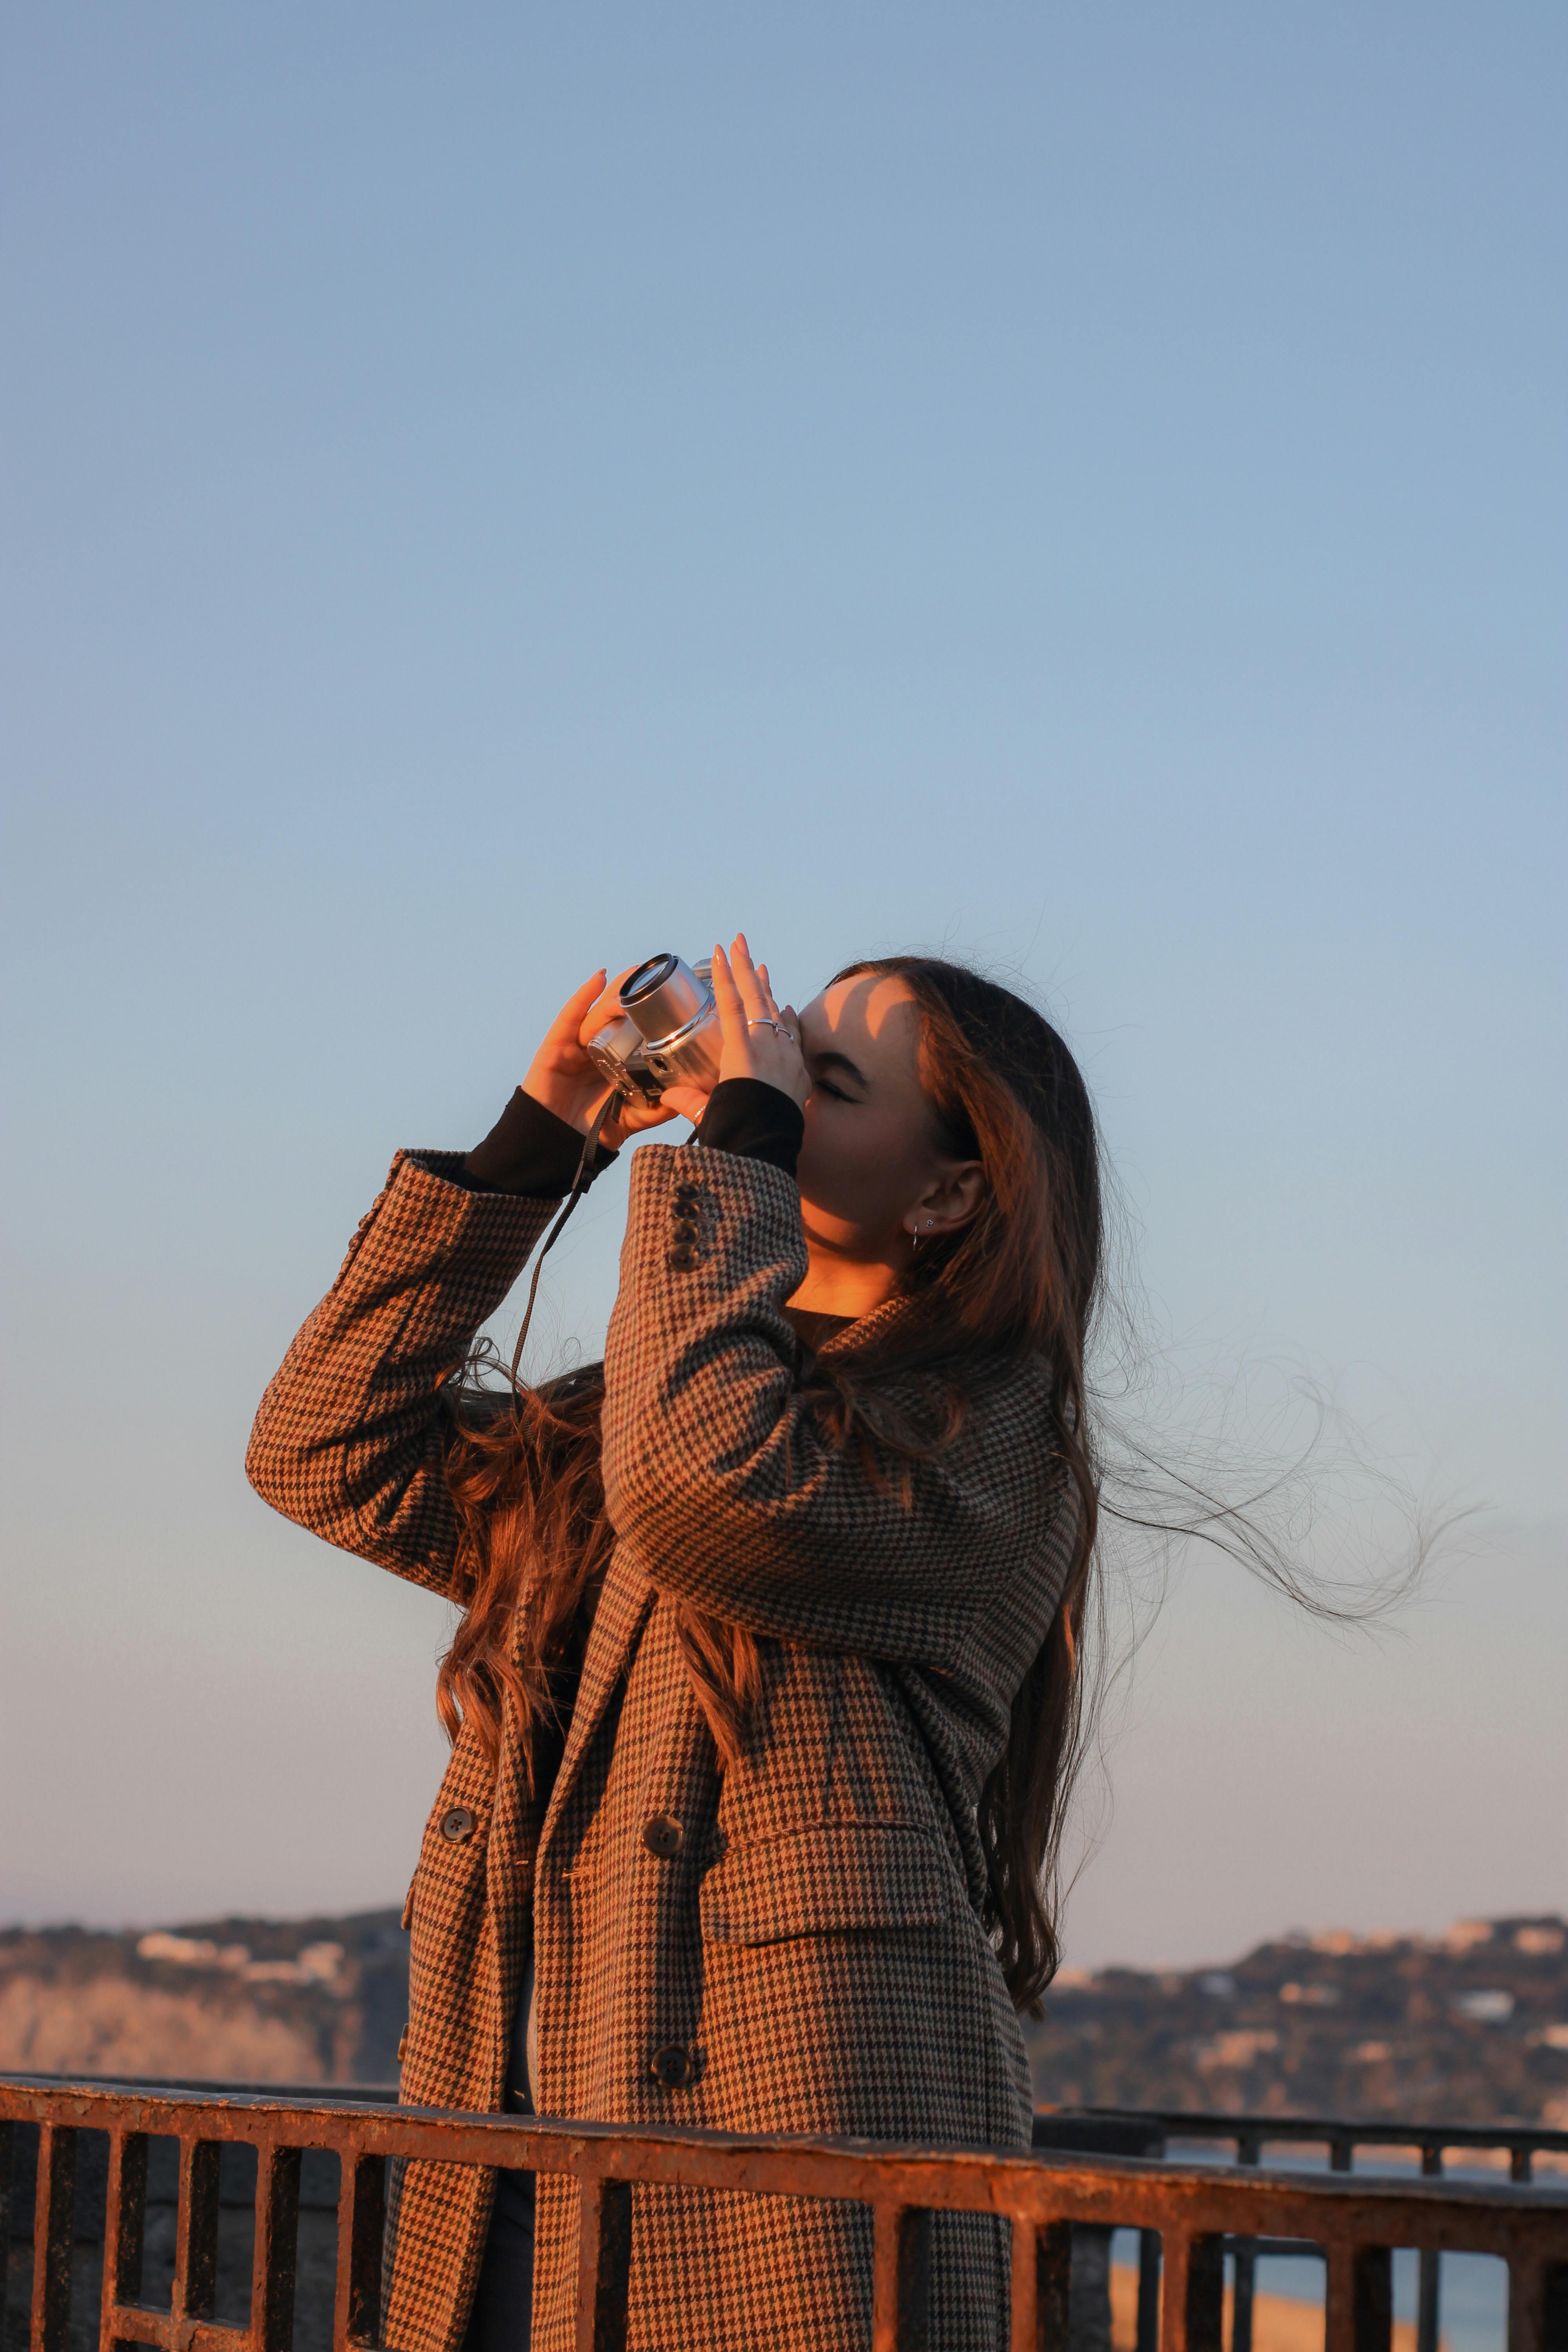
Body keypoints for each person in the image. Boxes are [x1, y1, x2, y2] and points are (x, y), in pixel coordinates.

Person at [247, 936, 1102, 2352]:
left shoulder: (992, 1437)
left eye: (822, 1077)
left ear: (953, 1191)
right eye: (775, 1051)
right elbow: (322, 1451)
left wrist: (738, 1151)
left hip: (787, 2198)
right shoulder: (643, 1404)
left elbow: (712, 1480)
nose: (760, 1076)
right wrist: (532, 1150)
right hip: (510, 2169)